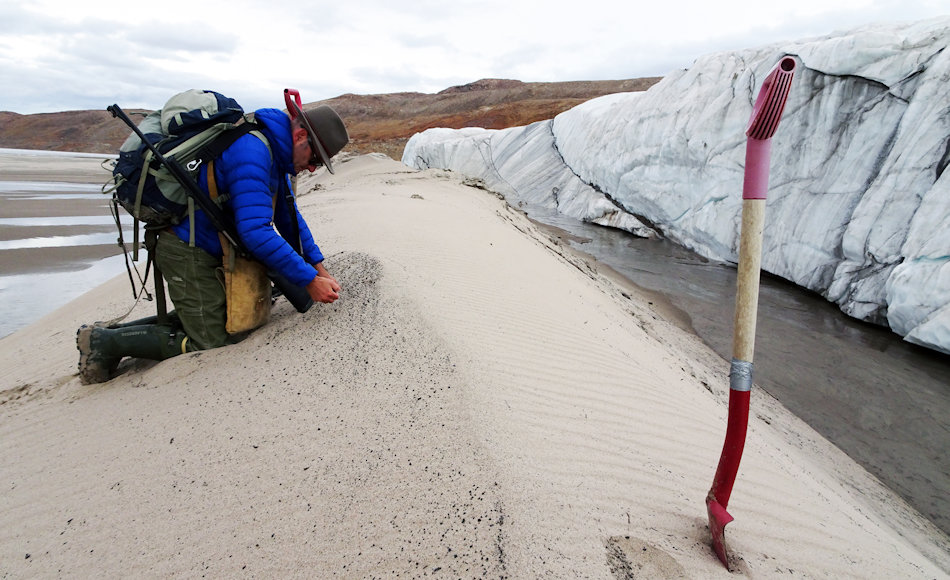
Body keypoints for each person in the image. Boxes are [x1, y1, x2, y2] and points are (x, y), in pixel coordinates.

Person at [76, 96, 349, 384]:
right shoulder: (253, 150)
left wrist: (318, 267)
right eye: (315, 159)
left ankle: (112, 335)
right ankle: (102, 342)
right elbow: (256, 231)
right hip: (185, 245)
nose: (312, 169)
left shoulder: (274, 153)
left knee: (218, 314)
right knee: (210, 339)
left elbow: (289, 217)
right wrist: (309, 280)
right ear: (300, 136)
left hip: (210, 241)